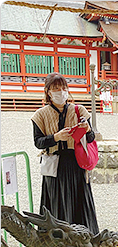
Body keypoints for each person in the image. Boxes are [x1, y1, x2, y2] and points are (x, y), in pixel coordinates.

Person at [31, 72, 99, 234]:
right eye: (56, 88)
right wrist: (56, 137)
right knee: (55, 201)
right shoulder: (40, 115)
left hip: (76, 162)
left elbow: (90, 139)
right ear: (48, 92)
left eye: (63, 88)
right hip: (54, 165)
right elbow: (38, 142)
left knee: (79, 200)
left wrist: (88, 129)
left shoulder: (80, 111)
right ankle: (57, 240)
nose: (61, 92)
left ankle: (83, 238)